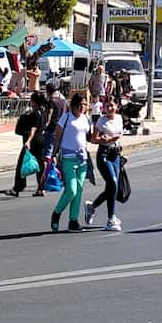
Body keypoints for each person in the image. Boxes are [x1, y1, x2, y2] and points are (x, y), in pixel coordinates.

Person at [51, 92, 92, 233]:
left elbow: (88, 137)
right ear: (73, 106)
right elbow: (57, 137)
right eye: (80, 105)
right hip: (68, 158)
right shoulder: (66, 117)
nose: (82, 107)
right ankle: (56, 213)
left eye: (85, 105)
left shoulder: (86, 119)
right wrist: (53, 154)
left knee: (79, 191)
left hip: (82, 159)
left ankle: (73, 221)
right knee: (71, 190)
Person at [84, 95, 125, 232]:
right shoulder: (101, 121)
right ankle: (110, 218)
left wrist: (122, 153)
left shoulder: (119, 119)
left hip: (116, 155)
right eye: (107, 106)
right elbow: (93, 139)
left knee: (111, 188)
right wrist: (107, 138)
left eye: (112, 105)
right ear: (104, 108)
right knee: (112, 183)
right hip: (104, 155)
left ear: (116, 107)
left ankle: (92, 207)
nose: (110, 108)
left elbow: (119, 138)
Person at [8, 91, 49, 197]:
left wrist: (28, 141)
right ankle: (41, 188)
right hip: (41, 140)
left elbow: (33, 129)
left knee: (21, 164)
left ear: (34, 102)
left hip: (33, 141)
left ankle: (18, 187)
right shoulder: (43, 112)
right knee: (40, 165)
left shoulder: (34, 114)